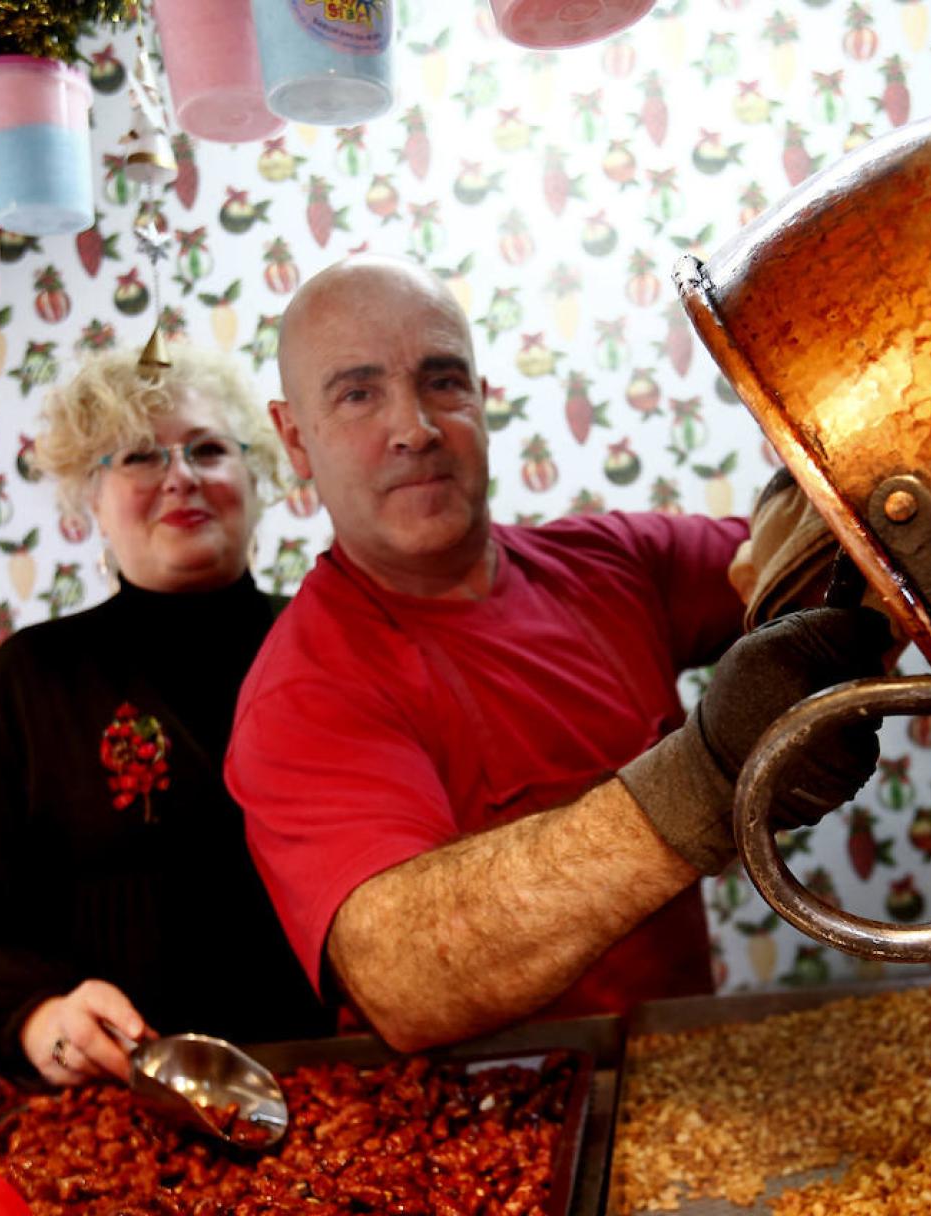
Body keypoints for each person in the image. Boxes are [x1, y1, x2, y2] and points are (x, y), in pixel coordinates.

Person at [227, 256, 891, 1052]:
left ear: (481, 398)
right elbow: (402, 977)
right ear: (294, 438)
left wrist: (875, 479)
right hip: (488, 1115)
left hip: (669, 1069)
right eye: (358, 394)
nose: (415, 429)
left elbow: (803, 563)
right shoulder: (305, 689)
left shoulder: (611, 564)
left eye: (442, 381)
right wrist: (704, 779)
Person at [0, 345, 333, 1085]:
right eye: (141, 456)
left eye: (208, 449)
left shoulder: (335, 646)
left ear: (257, 477)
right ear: (92, 498)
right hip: (118, 1105)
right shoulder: (30, 680)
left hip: (346, 1087)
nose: (181, 476)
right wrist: (43, 1023)